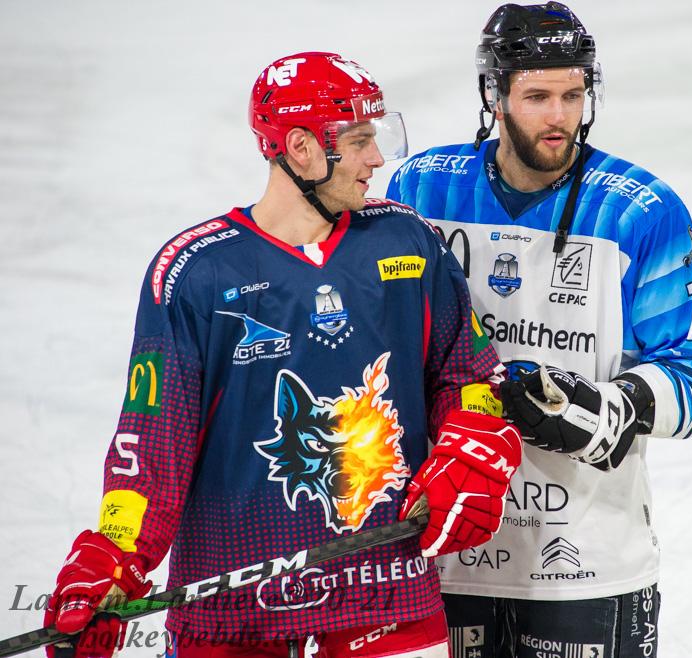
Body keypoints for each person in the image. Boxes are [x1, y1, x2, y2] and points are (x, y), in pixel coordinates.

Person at [43, 52, 522, 658]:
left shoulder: (409, 241)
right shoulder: (197, 272)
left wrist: (469, 445)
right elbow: (152, 445)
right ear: (301, 147)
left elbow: (468, 374)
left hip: (388, 602)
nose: (377, 158)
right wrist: (113, 557)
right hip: (232, 618)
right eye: (359, 140)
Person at [386, 4, 692, 656]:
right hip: (441, 549)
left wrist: (610, 408)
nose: (559, 116)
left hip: (587, 565)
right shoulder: (422, 191)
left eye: (573, 95)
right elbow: (382, 348)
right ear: (494, 96)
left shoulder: (639, 211)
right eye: (538, 96)